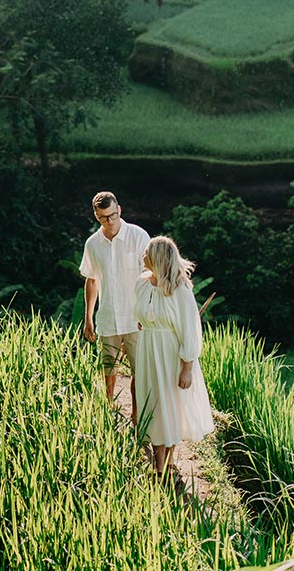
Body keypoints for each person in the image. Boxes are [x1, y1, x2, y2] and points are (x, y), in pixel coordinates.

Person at [134, 235, 214, 475]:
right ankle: (161, 463)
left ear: (158, 258)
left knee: (168, 407)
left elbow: (190, 330)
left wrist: (187, 367)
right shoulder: (142, 283)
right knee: (153, 404)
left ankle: (165, 463)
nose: (143, 256)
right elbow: (141, 313)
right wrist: (146, 321)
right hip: (148, 349)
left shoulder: (180, 291)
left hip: (169, 354)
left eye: (147, 252)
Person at [80, 191, 150, 423]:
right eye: (103, 218)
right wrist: (88, 317)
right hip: (108, 317)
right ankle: (108, 411)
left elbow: (151, 277)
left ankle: (137, 416)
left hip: (136, 318)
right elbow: (91, 280)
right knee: (109, 369)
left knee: (139, 371)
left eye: (112, 215)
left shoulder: (139, 237)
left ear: (119, 209)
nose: (109, 222)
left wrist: (149, 311)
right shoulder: (93, 244)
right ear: (96, 216)